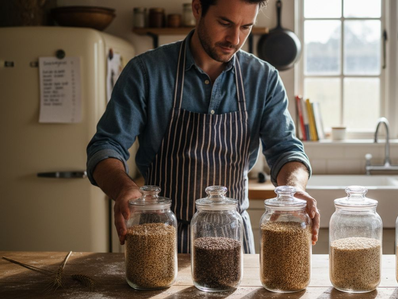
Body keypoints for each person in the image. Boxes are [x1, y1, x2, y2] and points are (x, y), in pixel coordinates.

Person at [86, 0, 319, 253]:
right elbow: (106, 145)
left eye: (246, 27)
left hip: (233, 240)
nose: (235, 38)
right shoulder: (146, 72)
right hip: (160, 238)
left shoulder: (264, 79)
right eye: (225, 23)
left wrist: (293, 189)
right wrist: (125, 187)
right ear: (198, 9)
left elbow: (285, 149)